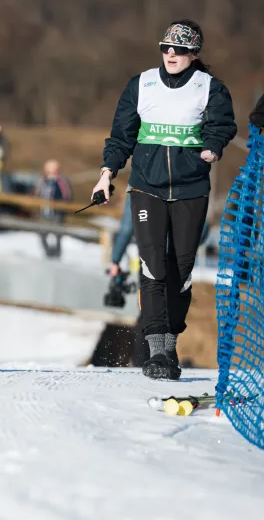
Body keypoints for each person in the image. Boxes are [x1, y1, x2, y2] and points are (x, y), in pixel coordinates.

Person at [92, 19, 237, 380]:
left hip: (191, 189)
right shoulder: (141, 84)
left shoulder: (210, 89)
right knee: (153, 266)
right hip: (147, 187)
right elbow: (120, 135)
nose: (170, 54)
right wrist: (107, 174)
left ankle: (170, 344)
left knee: (181, 269)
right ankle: (157, 351)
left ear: (194, 53)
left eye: (179, 49)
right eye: (166, 47)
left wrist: (212, 148)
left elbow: (223, 124)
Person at [34, 159, 73, 258]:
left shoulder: (62, 180)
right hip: (44, 213)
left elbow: (67, 196)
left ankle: (57, 255)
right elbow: (37, 193)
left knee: (57, 236)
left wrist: (61, 207)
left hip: (57, 214)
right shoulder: (43, 180)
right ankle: (48, 253)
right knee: (42, 234)